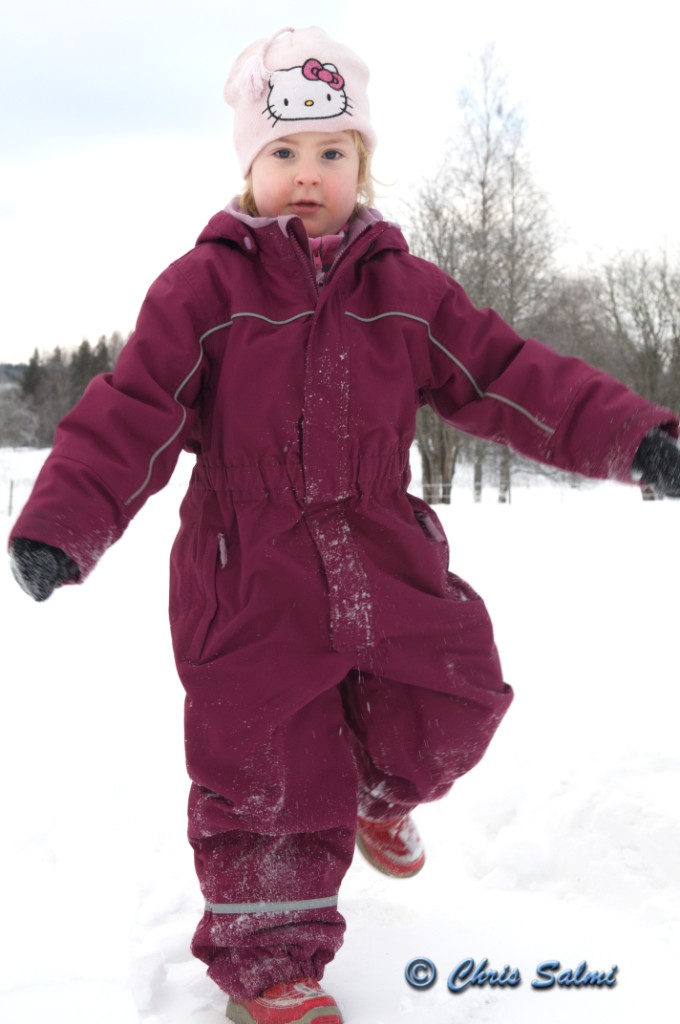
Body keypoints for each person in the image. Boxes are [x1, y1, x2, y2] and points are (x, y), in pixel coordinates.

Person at [8, 25, 680, 1024]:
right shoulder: (204, 290)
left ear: (362, 164)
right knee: (264, 764)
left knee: (461, 688)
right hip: (250, 571)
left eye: (331, 152)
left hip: (383, 545)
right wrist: (64, 519)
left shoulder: (404, 292)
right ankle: (274, 966)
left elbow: (506, 375)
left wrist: (636, 439)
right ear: (248, 165)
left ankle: (379, 789)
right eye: (282, 153)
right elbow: (131, 409)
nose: (307, 174)